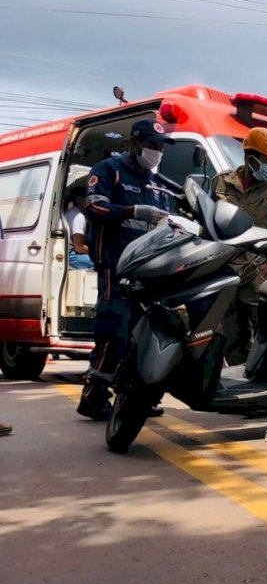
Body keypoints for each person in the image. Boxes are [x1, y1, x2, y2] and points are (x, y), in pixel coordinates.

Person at [76, 118, 174, 420]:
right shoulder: (109, 170)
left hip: (147, 271)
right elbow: (93, 207)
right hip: (114, 267)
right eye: (151, 146)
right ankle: (93, 398)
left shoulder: (157, 183)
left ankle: (134, 398)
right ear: (135, 144)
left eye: (160, 147)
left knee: (142, 337)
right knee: (114, 332)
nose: (156, 152)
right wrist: (131, 211)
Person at [212, 127, 267, 365]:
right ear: (250, 159)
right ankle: (237, 387)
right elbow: (206, 219)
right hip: (225, 269)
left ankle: (264, 396)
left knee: (266, 335)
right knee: (232, 335)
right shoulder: (221, 182)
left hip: (258, 273)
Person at [65, 183, 93, 269]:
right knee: (103, 264)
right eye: (88, 198)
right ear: (79, 199)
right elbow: (79, 248)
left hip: (69, 253)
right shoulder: (78, 217)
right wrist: (97, 253)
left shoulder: (70, 212)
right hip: (72, 255)